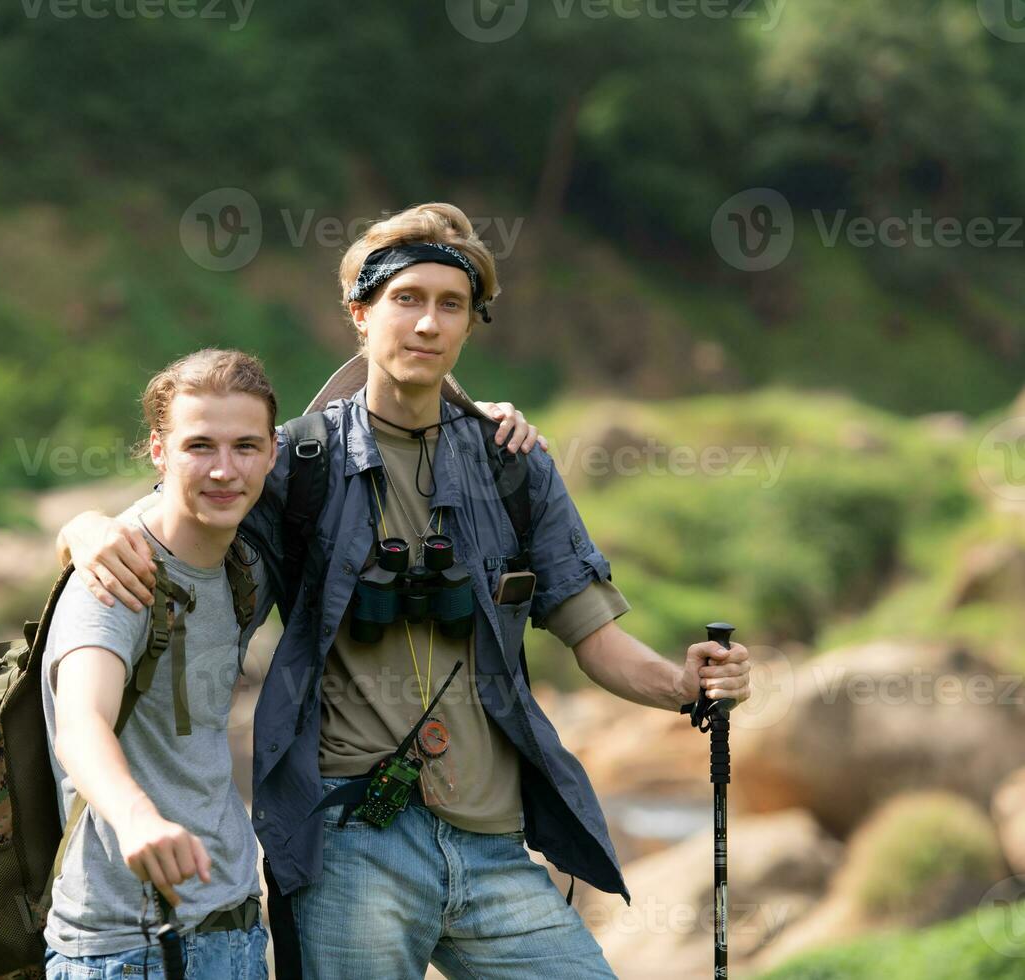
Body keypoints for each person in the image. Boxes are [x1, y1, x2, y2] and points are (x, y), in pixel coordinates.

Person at [62, 202, 752, 979]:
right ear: (360, 313)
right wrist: (85, 527)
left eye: (449, 304)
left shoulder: (512, 463)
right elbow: (191, 500)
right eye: (406, 300)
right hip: (351, 843)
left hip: (493, 840)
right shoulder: (298, 461)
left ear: (470, 324)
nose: (427, 323)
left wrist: (681, 684)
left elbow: (591, 633)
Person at [40, 348, 281, 979]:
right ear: (159, 452)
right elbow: (81, 724)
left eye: (245, 447)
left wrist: (477, 415)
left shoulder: (249, 563)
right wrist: (137, 819)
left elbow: (378, 388)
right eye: (200, 446)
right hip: (123, 943)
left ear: (273, 453)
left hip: (233, 923)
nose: (225, 470)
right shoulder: (115, 574)